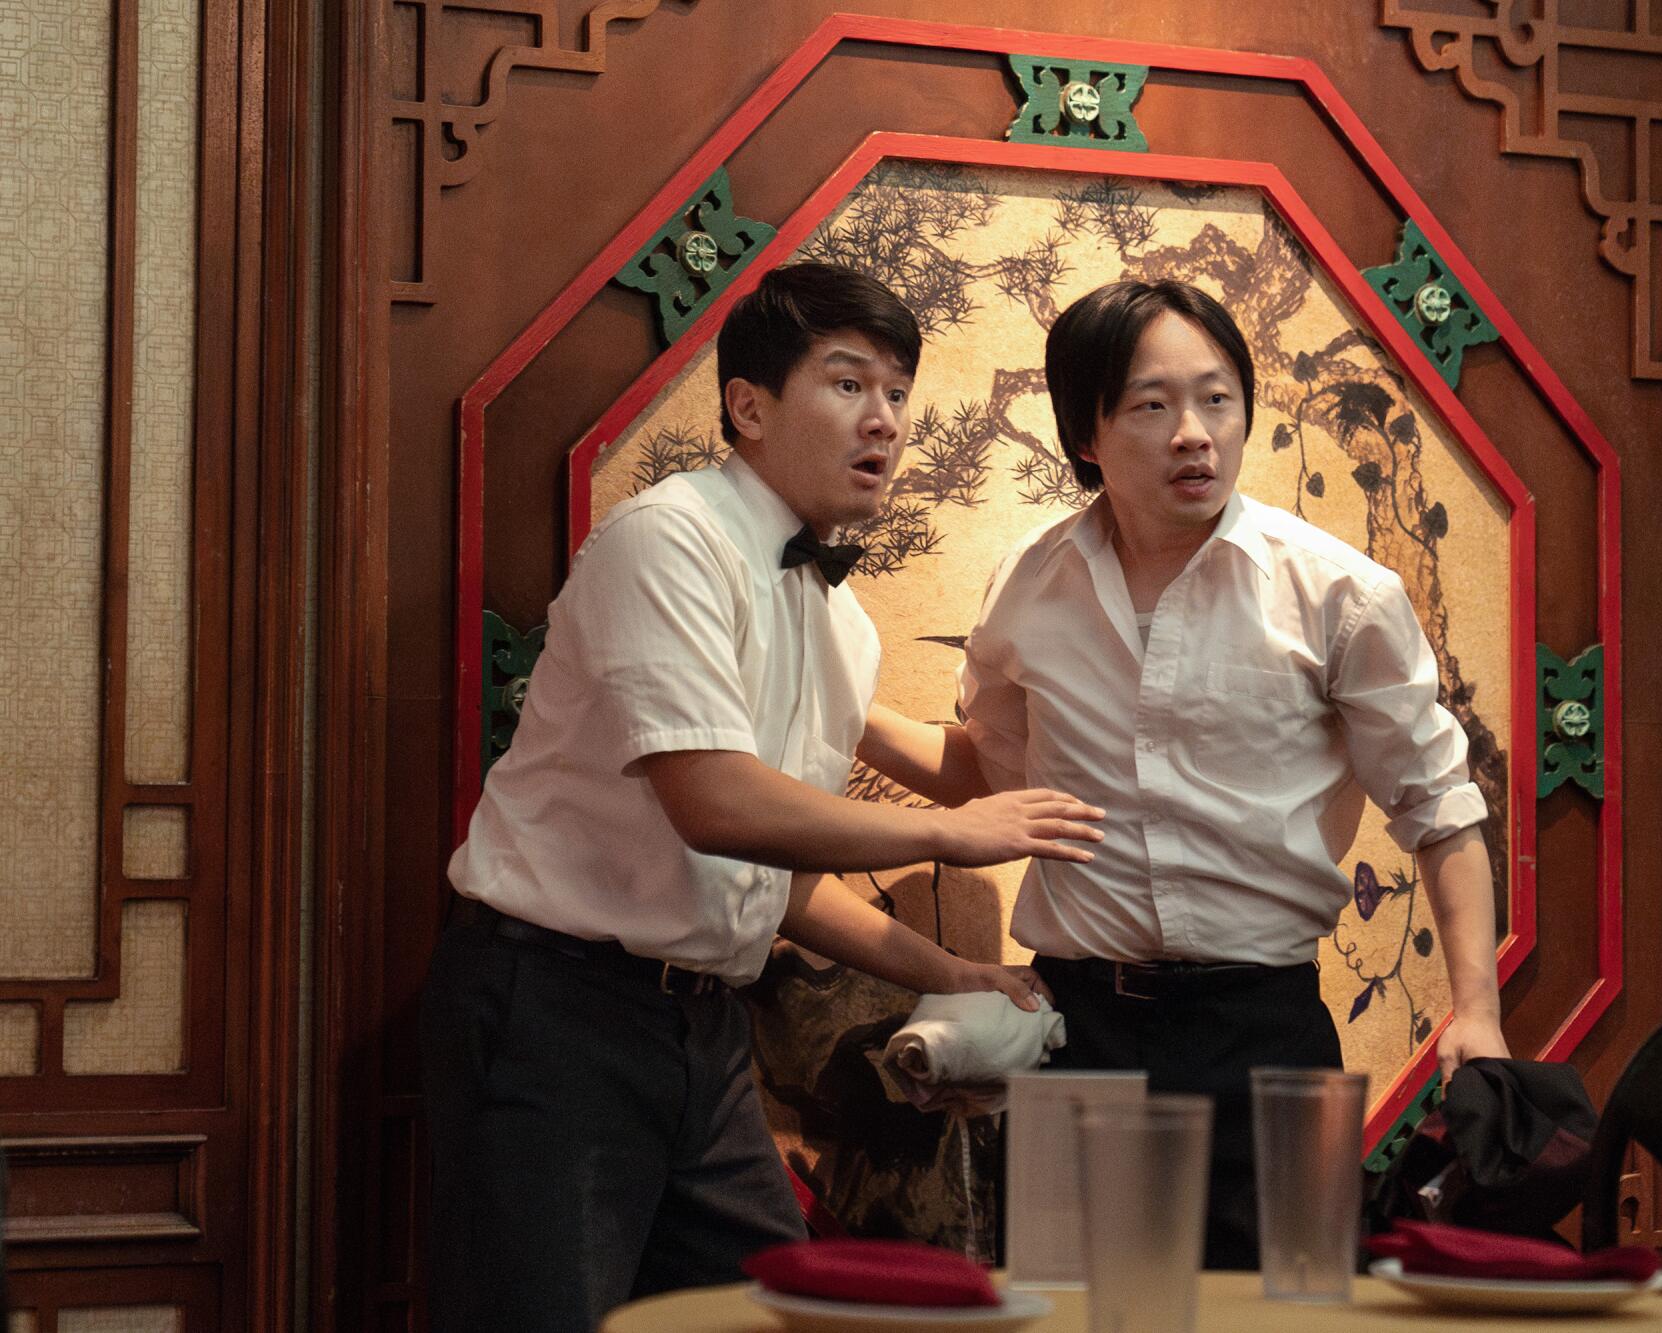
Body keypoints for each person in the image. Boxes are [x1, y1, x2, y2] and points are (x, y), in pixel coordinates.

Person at [421, 262, 1104, 1331]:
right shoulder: (668, 541)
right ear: (747, 404)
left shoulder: (836, 623)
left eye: (896, 392)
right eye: (847, 384)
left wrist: (952, 970)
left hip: (701, 1029)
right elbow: (715, 803)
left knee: (769, 1311)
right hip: (553, 1008)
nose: (883, 419)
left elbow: (779, 884)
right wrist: (952, 833)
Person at [862, 279, 1509, 1270]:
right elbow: (985, 773)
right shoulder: (1029, 588)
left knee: (1288, 1312)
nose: (1192, 434)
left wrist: (1475, 1013)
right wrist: (830, 711)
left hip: (1265, 1031)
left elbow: (1437, 809)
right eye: (1150, 405)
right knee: (1080, 1317)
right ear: (1084, 432)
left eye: (1216, 399)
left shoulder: (1338, 594)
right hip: (1078, 1030)